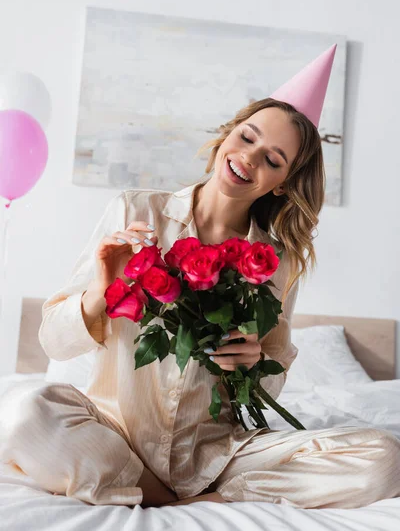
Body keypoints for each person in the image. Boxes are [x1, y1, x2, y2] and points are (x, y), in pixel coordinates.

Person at [1, 45, 399, 509]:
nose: (250, 159)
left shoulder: (274, 260)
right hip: (114, 432)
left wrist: (253, 364)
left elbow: (267, 386)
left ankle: (186, 495)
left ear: (285, 182)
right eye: (247, 138)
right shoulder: (136, 210)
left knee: (383, 458)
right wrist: (99, 291)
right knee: (25, 413)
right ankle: (174, 499)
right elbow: (54, 343)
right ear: (228, 133)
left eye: (273, 160)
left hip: (217, 456)